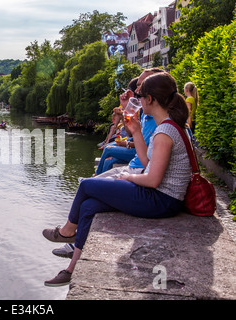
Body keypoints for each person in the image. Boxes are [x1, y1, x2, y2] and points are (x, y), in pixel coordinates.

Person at [43, 72, 192, 286]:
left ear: (149, 99)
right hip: (162, 197)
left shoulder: (165, 132)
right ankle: (71, 269)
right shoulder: (168, 127)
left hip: (161, 200)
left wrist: (127, 177)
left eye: (140, 96)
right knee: (89, 206)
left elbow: (152, 180)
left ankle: (67, 232)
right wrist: (136, 132)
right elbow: (148, 163)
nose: (137, 100)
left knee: (86, 185)